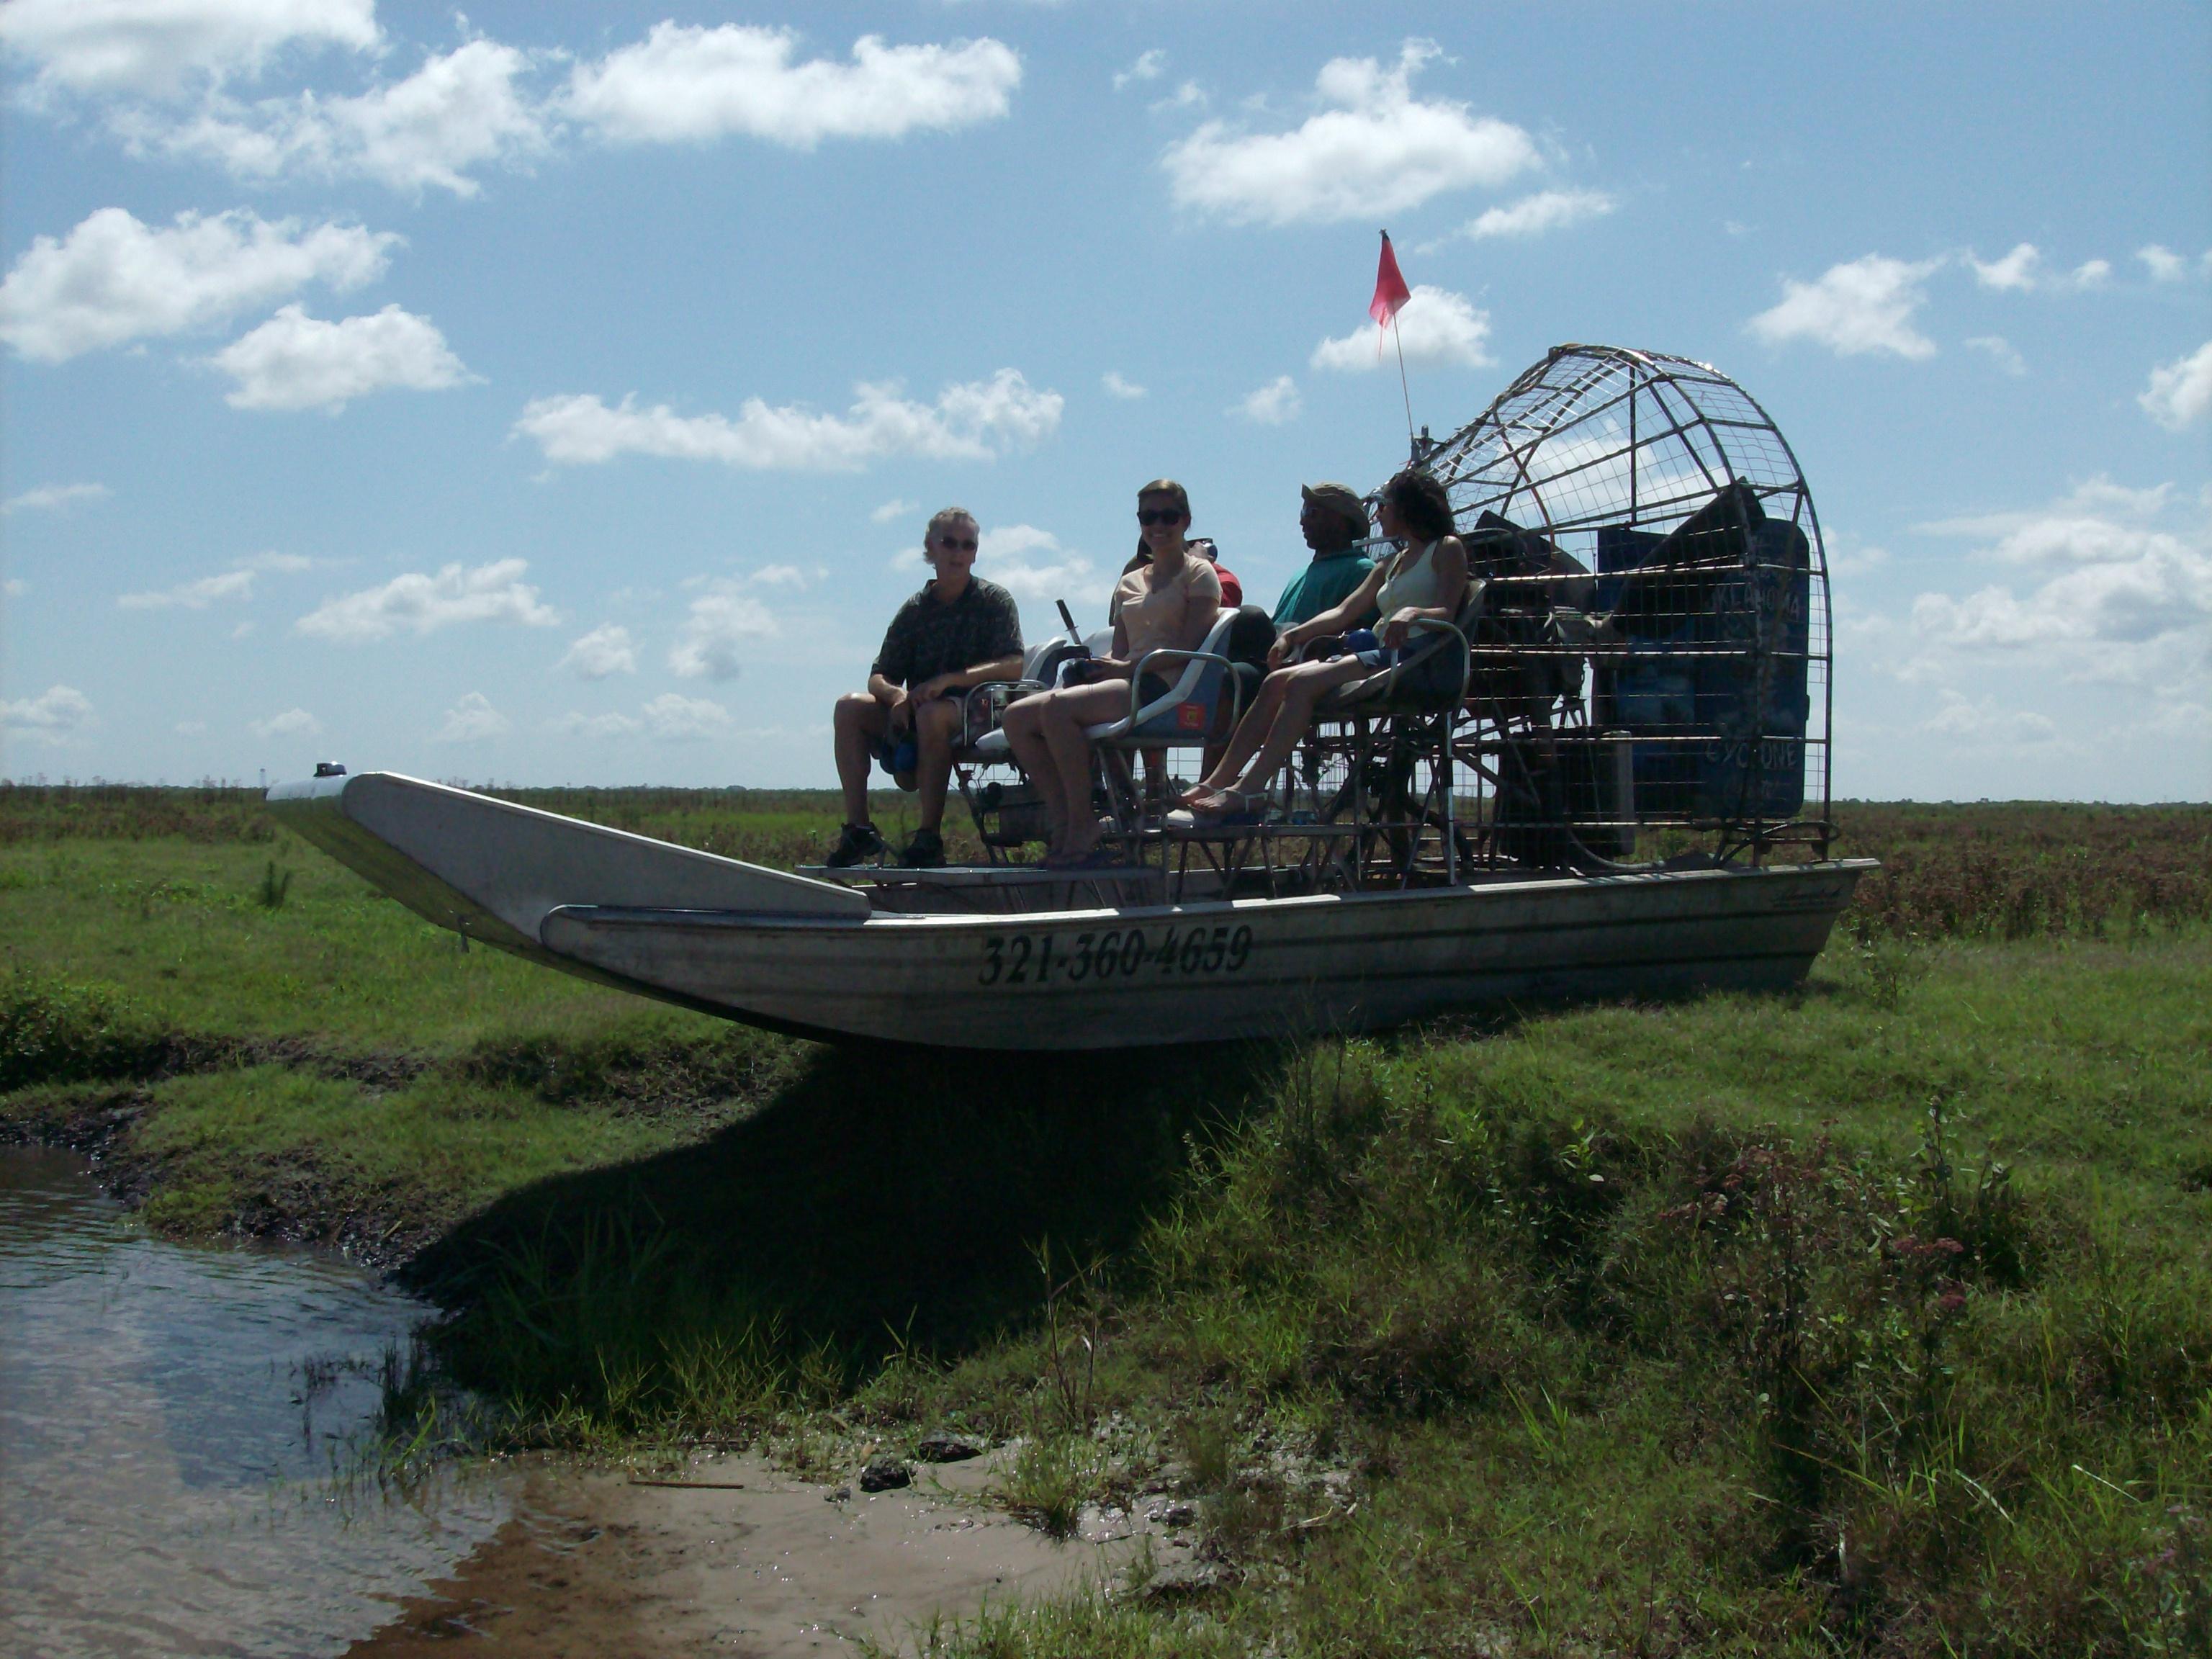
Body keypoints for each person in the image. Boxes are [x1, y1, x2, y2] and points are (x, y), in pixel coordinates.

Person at [1172, 469, 1470, 825]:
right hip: (1380, 653)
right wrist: (1292, 637)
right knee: (1273, 683)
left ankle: (1248, 789)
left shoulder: (1446, 549)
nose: (1378, 515)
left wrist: (1413, 612)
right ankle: (1216, 782)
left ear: (1406, 508)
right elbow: (1344, 612)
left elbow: (1448, 611)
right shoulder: (1390, 565)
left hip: (1414, 657)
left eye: (1384, 506)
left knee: (1300, 684)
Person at [1002, 479, 1220, 868]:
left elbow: (1186, 651)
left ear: (1186, 521)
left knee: (1056, 709)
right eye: (1147, 516)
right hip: (1129, 680)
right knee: (1016, 717)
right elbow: (1121, 650)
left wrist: (1123, 669)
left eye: (1168, 516)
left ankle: (1083, 823)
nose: (1158, 524)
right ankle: (1065, 819)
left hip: (1165, 685)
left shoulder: (1200, 574)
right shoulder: (1129, 582)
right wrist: (1100, 672)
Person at [826, 508, 1023, 869]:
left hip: (979, 713)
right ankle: (859, 830)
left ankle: (929, 837)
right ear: (930, 549)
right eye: (949, 543)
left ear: (976, 553)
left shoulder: (994, 601)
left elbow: (1014, 664)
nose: (958, 553)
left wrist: (950, 680)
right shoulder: (914, 611)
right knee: (849, 707)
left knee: (934, 713)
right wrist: (896, 696)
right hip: (919, 711)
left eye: (967, 545)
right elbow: (879, 675)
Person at [1272, 482, 1377, 630]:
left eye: (1311, 513)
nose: (1302, 521)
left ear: (1341, 519)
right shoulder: (1300, 575)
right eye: (1303, 513)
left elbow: (1356, 633)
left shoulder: (1362, 570)